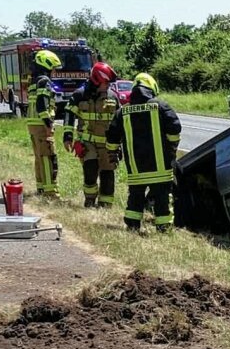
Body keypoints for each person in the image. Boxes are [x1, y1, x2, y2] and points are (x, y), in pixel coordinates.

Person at [106, 73, 182, 232]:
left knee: (135, 198)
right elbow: (175, 128)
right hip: (160, 168)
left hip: (136, 170)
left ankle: (133, 226)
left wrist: (113, 154)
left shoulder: (123, 112)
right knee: (162, 199)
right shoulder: (160, 106)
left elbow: (112, 136)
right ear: (152, 89)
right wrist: (172, 148)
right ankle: (164, 227)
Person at [64, 62, 119, 208]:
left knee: (108, 173)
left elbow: (120, 121)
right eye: (106, 82)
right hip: (87, 143)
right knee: (90, 169)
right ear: (96, 80)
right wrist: (67, 137)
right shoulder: (80, 95)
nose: (108, 86)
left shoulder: (113, 97)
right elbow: (69, 114)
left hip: (107, 144)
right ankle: (89, 200)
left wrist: (121, 145)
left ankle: (105, 204)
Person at [26, 50, 63, 197]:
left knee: (39, 157)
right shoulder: (44, 81)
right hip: (42, 124)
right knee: (48, 157)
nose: (54, 72)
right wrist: (48, 124)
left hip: (33, 124)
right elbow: (42, 104)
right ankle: (50, 192)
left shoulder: (34, 81)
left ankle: (41, 188)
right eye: (53, 68)